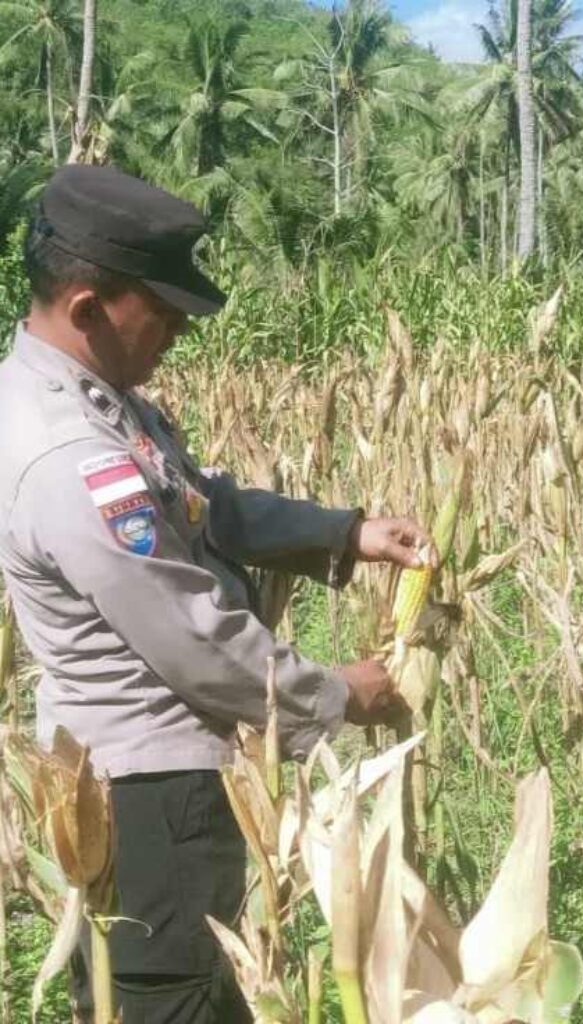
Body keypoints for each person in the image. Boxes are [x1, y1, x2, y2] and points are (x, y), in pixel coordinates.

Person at [0, 164, 432, 1023]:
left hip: (162, 784)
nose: (178, 332)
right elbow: (193, 637)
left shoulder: (102, 405)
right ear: (88, 307)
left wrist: (343, 532)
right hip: (150, 800)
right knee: (176, 1001)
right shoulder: (66, 456)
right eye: (161, 311)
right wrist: (337, 695)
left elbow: (201, 505)